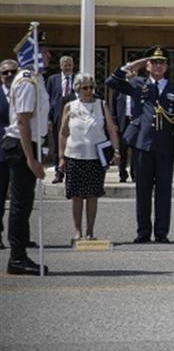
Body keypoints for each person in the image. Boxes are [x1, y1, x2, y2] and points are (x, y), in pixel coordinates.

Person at [106, 46, 174, 243]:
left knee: (164, 192)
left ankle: (161, 232)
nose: (158, 65)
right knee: (143, 191)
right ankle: (143, 231)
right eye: (154, 62)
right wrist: (136, 63)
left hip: (165, 146)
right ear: (148, 65)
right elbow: (111, 81)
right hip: (142, 145)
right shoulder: (137, 83)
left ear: (166, 66)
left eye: (162, 62)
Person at [2, 34, 51, 274]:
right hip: (21, 146)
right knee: (21, 205)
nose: (48, 55)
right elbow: (22, 122)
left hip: (29, 143)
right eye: (44, 51)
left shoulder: (37, 79)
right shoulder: (27, 80)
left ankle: (19, 255)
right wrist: (31, 159)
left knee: (25, 203)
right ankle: (17, 257)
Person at [58, 73, 120, 243]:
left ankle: (90, 231)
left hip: (96, 157)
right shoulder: (70, 106)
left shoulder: (101, 105)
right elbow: (63, 133)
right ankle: (77, 231)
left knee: (93, 195)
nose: (89, 91)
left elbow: (111, 130)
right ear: (77, 89)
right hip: (74, 155)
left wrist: (116, 151)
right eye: (85, 87)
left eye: (91, 87)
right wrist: (61, 157)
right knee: (77, 195)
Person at [46, 54, 76, 183]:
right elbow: (47, 99)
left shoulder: (77, 79)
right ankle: (59, 173)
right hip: (57, 114)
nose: (67, 67)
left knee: (73, 144)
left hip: (74, 115)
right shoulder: (53, 80)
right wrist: (48, 118)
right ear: (60, 66)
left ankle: (72, 174)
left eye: (69, 64)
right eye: (65, 65)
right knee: (59, 144)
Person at [112, 66, 140, 182]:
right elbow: (113, 105)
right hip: (123, 121)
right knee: (122, 149)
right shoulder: (120, 88)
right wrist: (114, 122)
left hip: (136, 121)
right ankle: (122, 174)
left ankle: (135, 174)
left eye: (134, 71)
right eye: (130, 71)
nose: (132, 73)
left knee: (136, 150)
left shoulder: (140, 87)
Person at [0, 59, 16, 250]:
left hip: (20, 152)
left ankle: (19, 236)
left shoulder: (22, 93)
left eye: (13, 72)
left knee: (21, 199)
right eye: (5, 73)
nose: (9, 75)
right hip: (2, 153)